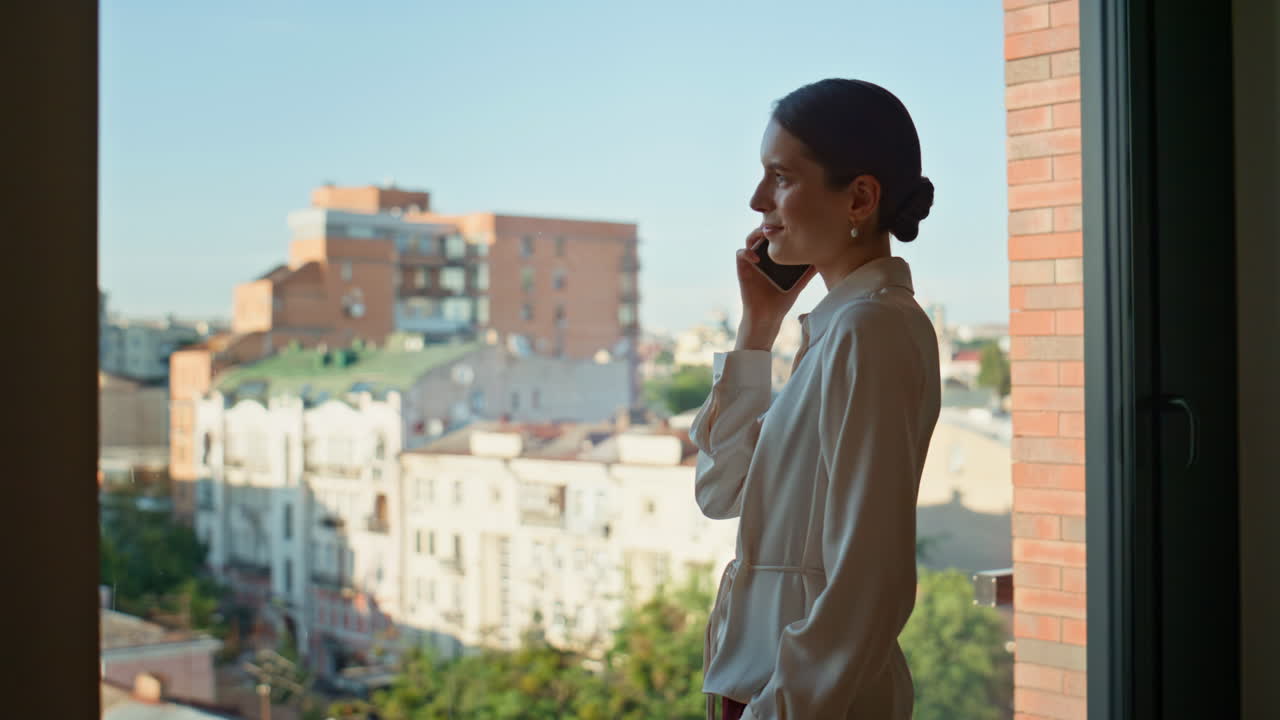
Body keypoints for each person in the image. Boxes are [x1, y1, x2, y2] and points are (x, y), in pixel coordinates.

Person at [690, 78, 941, 720]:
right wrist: (758, 330)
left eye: (780, 176)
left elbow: (870, 582)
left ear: (859, 197)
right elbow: (722, 492)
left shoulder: (871, 331)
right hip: (771, 690)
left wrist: (774, 712)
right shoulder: (837, 331)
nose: (756, 200)